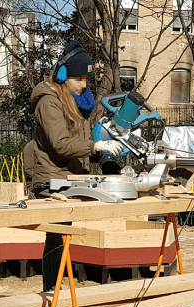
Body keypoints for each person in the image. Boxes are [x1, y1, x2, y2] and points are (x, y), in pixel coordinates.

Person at [24, 41, 123, 292]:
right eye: (78, 79)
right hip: (50, 176)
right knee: (56, 237)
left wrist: (104, 160)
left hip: (70, 176)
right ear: (62, 76)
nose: (83, 85)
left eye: (86, 79)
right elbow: (61, 144)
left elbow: (79, 143)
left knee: (62, 235)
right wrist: (96, 146)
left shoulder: (76, 101)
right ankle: (51, 291)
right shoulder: (49, 102)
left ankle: (55, 290)